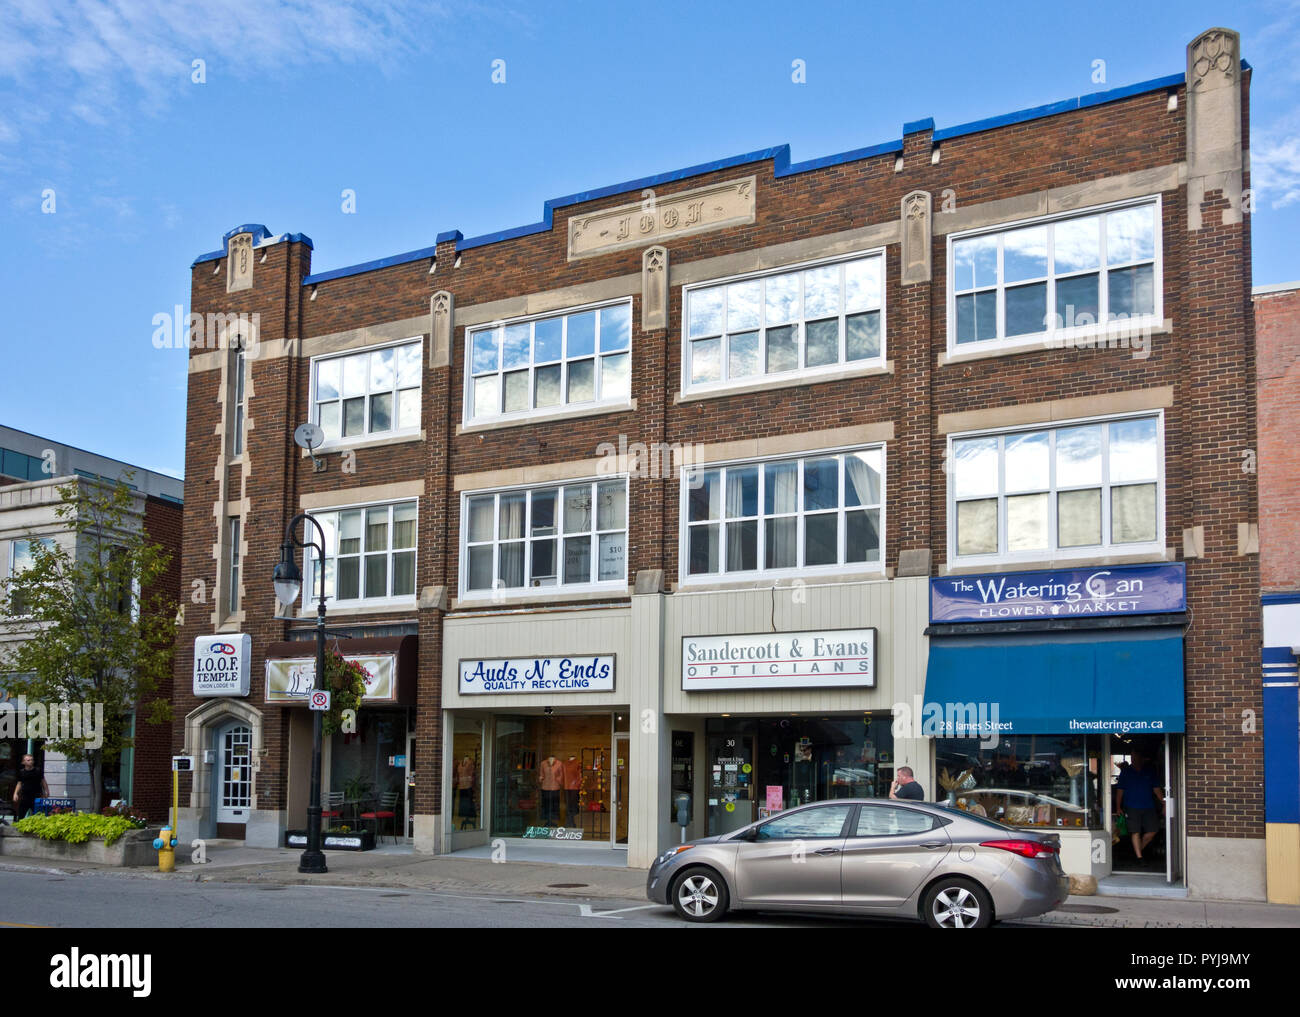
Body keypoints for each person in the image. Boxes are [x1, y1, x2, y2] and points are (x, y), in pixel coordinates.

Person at [1114, 752, 1164, 864]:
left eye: (1136, 757)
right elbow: (1119, 791)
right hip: (1131, 807)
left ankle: (1136, 851)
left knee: (1152, 831)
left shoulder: (1149, 771)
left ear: (1142, 758)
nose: (1133, 759)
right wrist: (1118, 807)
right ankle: (1139, 857)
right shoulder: (1126, 772)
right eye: (1132, 757)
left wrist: (1164, 802)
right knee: (1135, 831)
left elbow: (1156, 789)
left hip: (1148, 806)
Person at [12, 755, 49, 821]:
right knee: (21, 817)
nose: (31, 761)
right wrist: (15, 793)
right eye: (28, 760)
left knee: (38, 817)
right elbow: (19, 783)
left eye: (32, 760)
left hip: (36, 796)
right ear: (23, 762)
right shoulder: (22, 772)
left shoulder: (38, 771)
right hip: (25, 797)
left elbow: (43, 781)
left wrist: (46, 791)